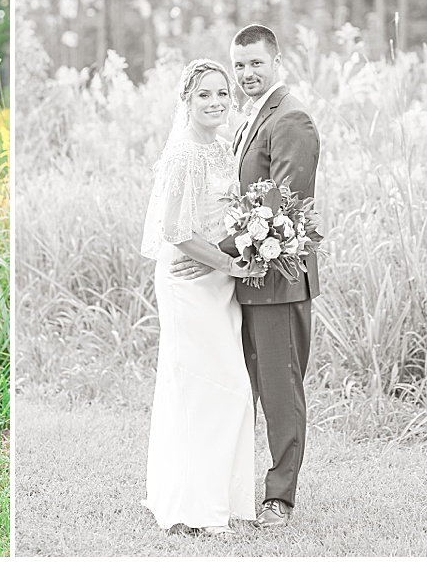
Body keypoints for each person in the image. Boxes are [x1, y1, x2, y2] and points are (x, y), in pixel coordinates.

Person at [171, 24, 321, 527]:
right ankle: (225, 487)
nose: (246, 73)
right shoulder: (248, 118)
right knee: (235, 387)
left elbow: (283, 204)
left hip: (278, 282)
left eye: (256, 63)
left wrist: (214, 251)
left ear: (276, 61)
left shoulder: (293, 117)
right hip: (240, 280)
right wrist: (220, 259)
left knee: (280, 391)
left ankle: (280, 497)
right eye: (239, 64)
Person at [140, 59, 258, 536]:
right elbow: (174, 229)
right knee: (210, 386)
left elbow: (222, 215)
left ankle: (216, 500)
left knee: (220, 389)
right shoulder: (185, 152)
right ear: (186, 99)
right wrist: (229, 264)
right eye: (204, 94)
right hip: (189, 281)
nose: (214, 103)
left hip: (216, 279)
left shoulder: (220, 147)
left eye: (221, 94)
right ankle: (195, 508)